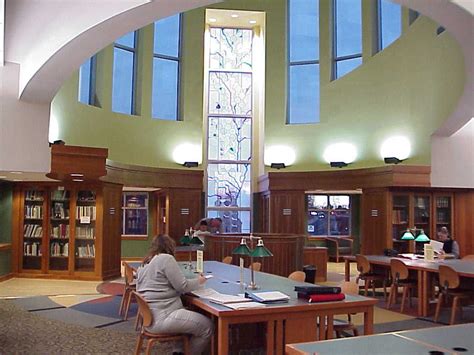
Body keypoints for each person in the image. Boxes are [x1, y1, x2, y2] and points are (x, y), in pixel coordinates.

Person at [136, 234, 213, 354]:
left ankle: (178, 351)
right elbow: (183, 286)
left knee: (188, 313)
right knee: (207, 327)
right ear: (170, 246)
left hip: (149, 318)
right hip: (164, 316)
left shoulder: (145, 263)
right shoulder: (166, 259)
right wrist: (200, 281)